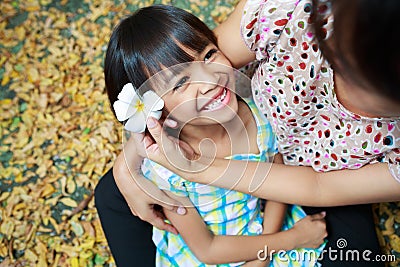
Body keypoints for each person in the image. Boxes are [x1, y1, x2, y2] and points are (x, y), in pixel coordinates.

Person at [95, 0, 400, 266]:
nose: (209, 79)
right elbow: (184, 58)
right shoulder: (290, 12)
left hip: (312, 191)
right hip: (232, 225)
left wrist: (274, 244)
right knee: (111, 194)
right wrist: (128, 167)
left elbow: (313, 185)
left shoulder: (258, 122)